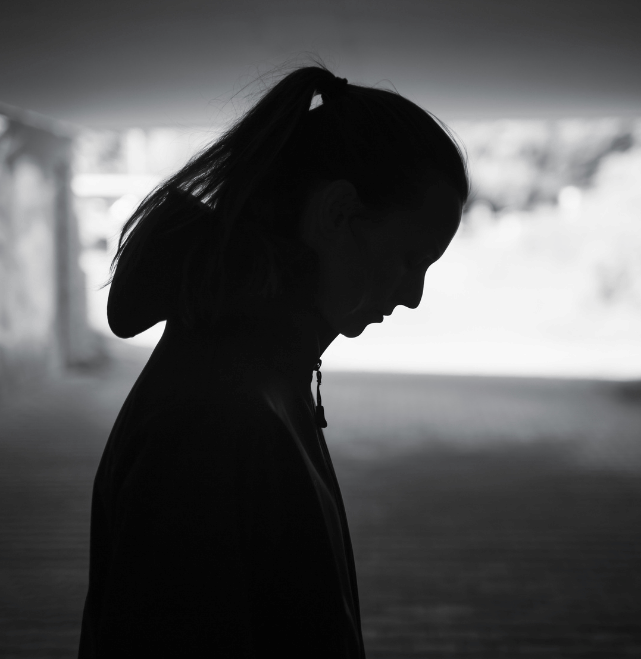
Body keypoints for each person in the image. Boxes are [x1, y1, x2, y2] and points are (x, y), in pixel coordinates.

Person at [78, 65, 470, 657]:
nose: (412, 293)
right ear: (337, 213)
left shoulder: (253, 367)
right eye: (409, 256)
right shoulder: (215, 419)